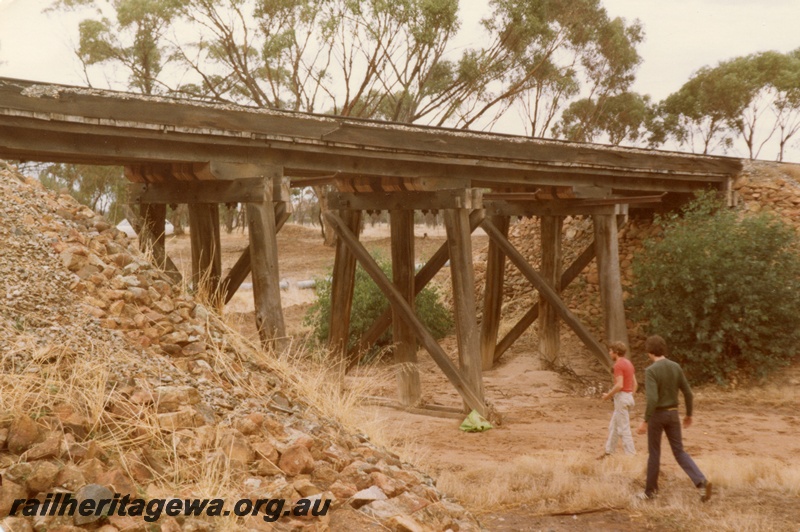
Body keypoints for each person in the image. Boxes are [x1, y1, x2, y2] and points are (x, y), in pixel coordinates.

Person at [636, 335, 712, 502]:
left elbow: (653, 399)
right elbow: (688, 393)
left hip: (658, 415)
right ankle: (701, 482)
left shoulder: (651, 371)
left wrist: (645, 420)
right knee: (679, 451)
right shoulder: (675, 367)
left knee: (654, 453)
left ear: (649, 352)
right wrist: (689, 414)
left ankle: (650, 492)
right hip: (673, 414)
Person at [598, 341, 637, 458]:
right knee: (614, 426)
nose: (609, 353)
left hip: (622, 397)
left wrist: (608, 396)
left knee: (623, 429)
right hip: (628, 396)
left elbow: (619, 385)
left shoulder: (618, 365)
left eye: (611, 351)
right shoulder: (629, 363)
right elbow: (635, 384)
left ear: (616, 352)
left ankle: (631, 456)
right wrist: (629, 396)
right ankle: (609, 452)